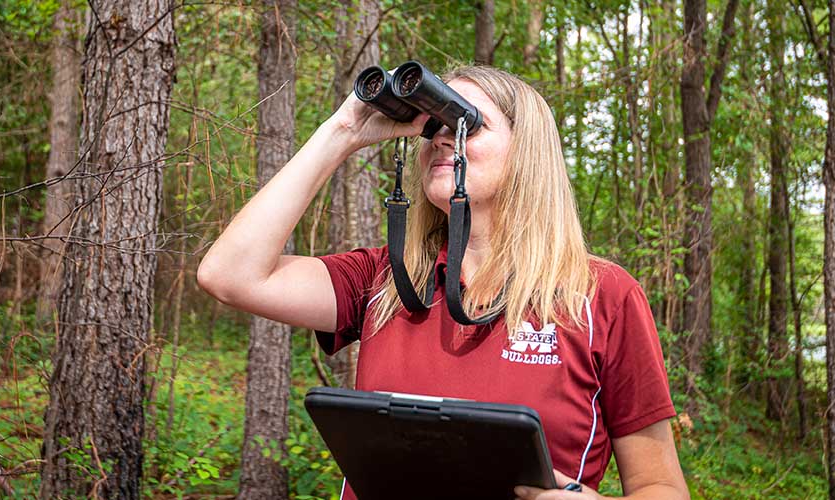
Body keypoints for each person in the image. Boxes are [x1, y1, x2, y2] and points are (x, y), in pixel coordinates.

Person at [197, 65, 689, 500]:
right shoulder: (386, 280)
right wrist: (343, 131)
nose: (441, 137)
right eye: (433, 124)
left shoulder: (600, 295)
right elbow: (229, 275)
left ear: (528, 152)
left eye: (466, 123)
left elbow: (661, 486)